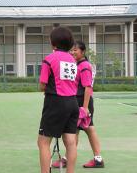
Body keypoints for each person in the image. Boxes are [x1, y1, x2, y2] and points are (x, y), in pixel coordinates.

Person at [52, 41, 104, 168]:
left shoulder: (84, 65)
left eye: (75, 50)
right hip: (77, 101)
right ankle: (69, 158)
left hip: (83, 102)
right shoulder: (77, 64)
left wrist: (85, 108)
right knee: (75, 130)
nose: (73, 52)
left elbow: (87, 87)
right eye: (72, 50)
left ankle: (97, 159)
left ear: (83, 52)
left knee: (87, 129)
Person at [37, 27, 79, 173]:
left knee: (43, 142)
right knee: (71, 142)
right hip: (73, 103)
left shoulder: (49, 59)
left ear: (53, 42)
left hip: (55, 103)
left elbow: (42, 85)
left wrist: (46, 88)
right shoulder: (73, 60)